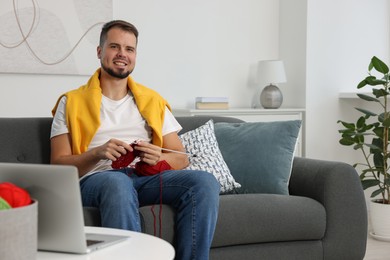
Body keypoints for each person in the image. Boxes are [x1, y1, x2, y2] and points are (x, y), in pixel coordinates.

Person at [50, 20, 220, 260]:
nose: (122, 54)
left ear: (135, 55)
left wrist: (157, 157)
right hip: (95, 182)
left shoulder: (152, 101)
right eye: (114, 47)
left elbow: (180, 158)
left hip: (142, 179)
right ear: (100, 52)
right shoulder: (71, 102)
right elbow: (58, 166)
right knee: (117, 184)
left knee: (204, 182)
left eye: (129, 49)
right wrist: (97, 153)